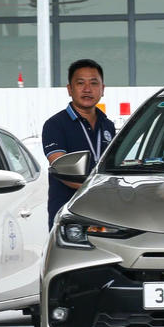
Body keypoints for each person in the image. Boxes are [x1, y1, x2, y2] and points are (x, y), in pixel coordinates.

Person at [42, 59, 115, 228]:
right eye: (80, 83)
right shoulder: (55, 125)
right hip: (70, 215)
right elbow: (61, 167)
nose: (87, 89)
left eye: (94, 83)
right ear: (70, 89)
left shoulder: (108, 125)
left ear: (102, 89)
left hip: (106, 212)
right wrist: (99, 188)